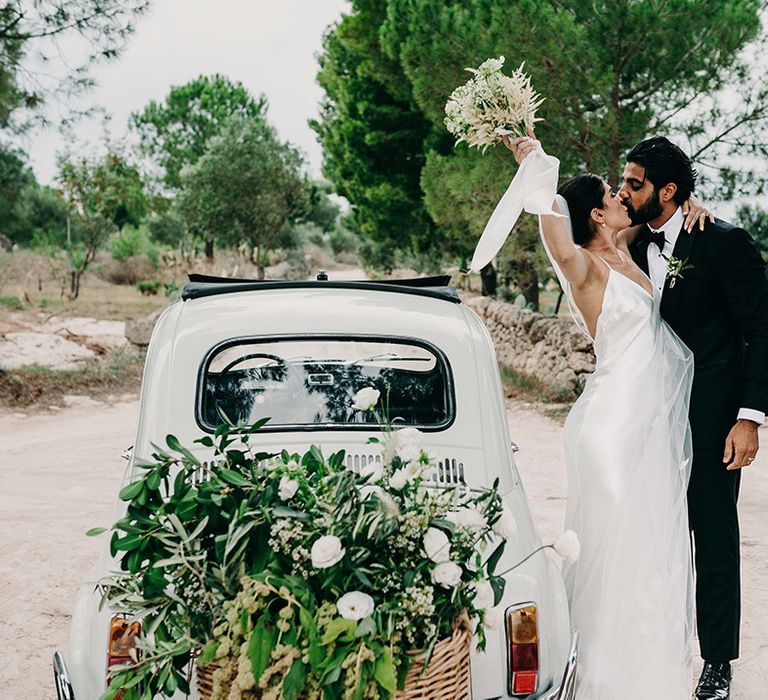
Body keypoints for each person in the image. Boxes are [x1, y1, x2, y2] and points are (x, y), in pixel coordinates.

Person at [479, 133, 708, 698]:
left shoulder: (623, 245)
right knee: (611, 549)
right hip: (613, 426)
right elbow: (557, 236)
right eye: (611, 191)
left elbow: (666, 219)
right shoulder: (584, 268)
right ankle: (599, 676)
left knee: (650, 546)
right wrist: (536, 163)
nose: (620, 195)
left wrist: (695, 205)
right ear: (594, 211)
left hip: (650, 423)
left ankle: (643, 670)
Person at [620, 137, 768, 700]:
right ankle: (651, 644)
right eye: (625, 181)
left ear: (669, 190)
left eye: (635, 183)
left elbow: (761, 331)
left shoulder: (726, 244)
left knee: (712, 536)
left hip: (710, 420)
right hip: (643, 417)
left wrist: (749, 419)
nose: (624, 191)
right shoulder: (628, 242)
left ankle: (717, 663)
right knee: (650, 534)